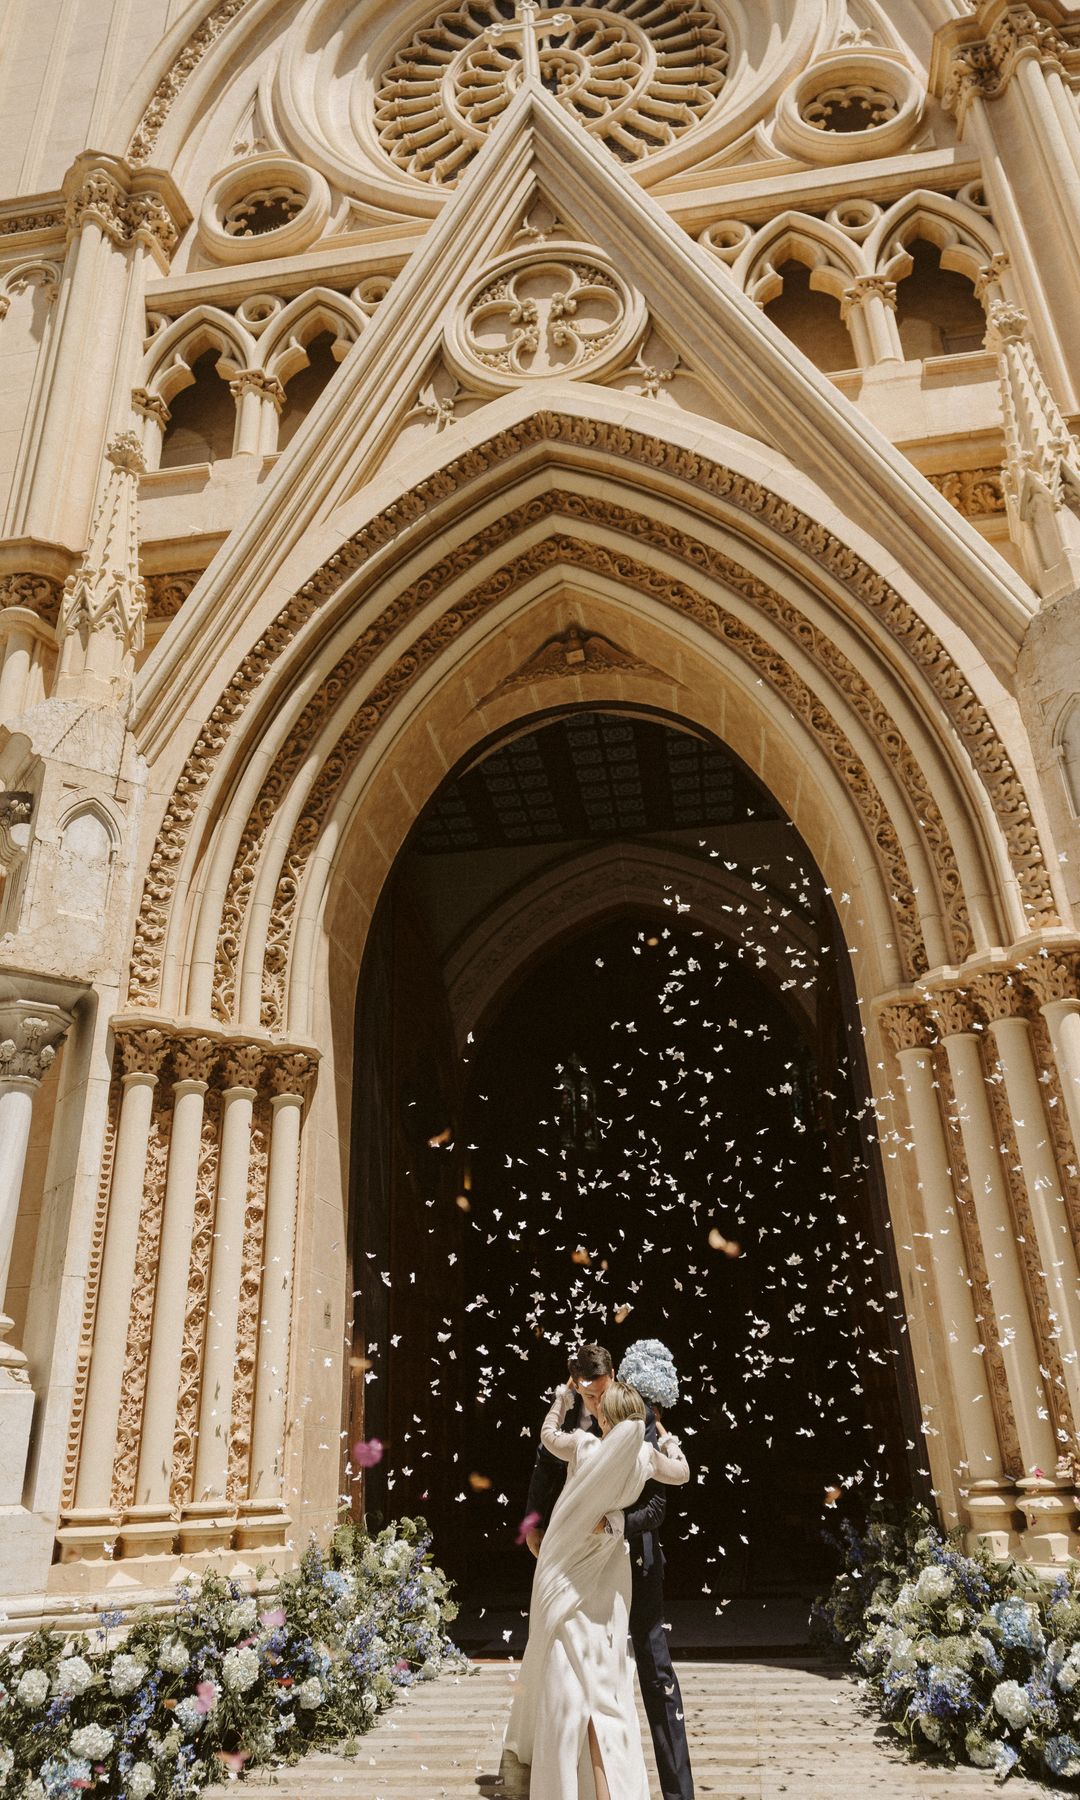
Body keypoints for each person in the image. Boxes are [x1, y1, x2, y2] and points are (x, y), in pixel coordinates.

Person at [524, 1342, 695, 1800]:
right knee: (585, 1678)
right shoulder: (578, 1434)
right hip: (579, 1565)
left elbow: (658, 1504)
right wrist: (534, 1523)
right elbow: (543, 1464)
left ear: (614, 1377)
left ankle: (679, 1793)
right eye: (587, 1395)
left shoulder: (637, 1419)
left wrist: (617, 1523)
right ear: (573, 1386)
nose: (595, 1404)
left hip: (633, 1560)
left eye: (600, 1394)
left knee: (654, 1676)